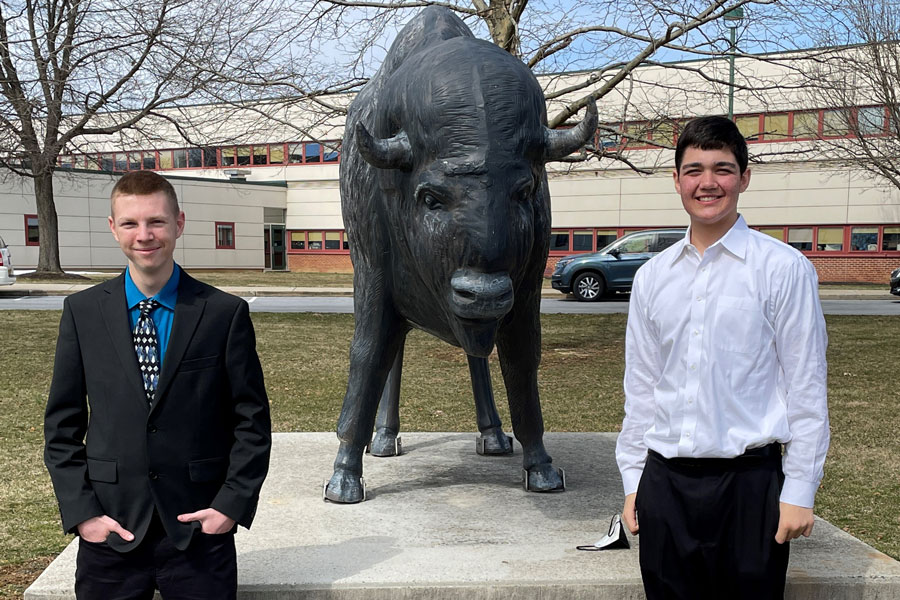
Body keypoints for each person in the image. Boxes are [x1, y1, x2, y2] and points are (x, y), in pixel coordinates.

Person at [615, 116, 829, 599]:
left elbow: (807, 387)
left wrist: (798, 491)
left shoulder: (784, 269)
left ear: (744, 178)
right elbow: (643, 389)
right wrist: (634, 480)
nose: (707, 183)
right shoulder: (652, 278)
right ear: (676, 180)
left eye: (722, 169)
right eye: (693, 170)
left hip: (749, 488)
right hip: (665, 484)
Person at [44, 171, 272, 599]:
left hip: (198, 529)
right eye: (130, 223)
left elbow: (252, 421)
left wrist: (230, 505)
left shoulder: (223, 314)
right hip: (111, 528)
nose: (144, 235)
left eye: (157, 222)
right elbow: (61, 427)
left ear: (179, 224)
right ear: (113, 228)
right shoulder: (83, 312)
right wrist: (83, 514)